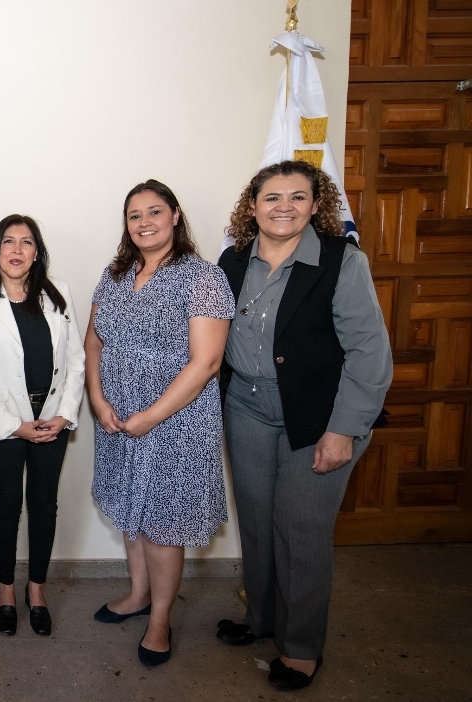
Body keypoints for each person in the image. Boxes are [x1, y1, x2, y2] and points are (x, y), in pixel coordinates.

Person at [216, 160, 392, 691]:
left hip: (319, 414)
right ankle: (262, 619)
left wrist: (343, 430)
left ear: (316, 206)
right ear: (253, 207)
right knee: (256, 519)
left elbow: (369, 353)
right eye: (272, 197)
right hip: (245, 406)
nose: (284, 207)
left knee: (300, 528)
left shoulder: (342, 261)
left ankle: (300, 647)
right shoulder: (232, 260)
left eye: (297, 197)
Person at [85, 179, 235, 667]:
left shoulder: (203, 277)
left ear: (175, 215)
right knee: (132, 511)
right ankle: (137, 595)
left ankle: (160, 619)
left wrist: (149, 417)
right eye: (135, 215)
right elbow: (93, 342)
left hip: (176, 423)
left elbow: (206, 362)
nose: (144, 222)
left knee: (162, 524)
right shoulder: (114, 275)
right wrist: (98, 399)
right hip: (117, 420)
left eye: (154, 211)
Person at [0, 214, 85, 637]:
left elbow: (76, 359)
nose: (17, 250)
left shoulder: (58, 292)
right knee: (6, 506)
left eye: (26, 242)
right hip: (2, 427)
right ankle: (6, 591)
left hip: (52, 421)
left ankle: (37, 591)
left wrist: (65, 414)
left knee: (44, 506)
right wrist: (14, 425)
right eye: (8, 241)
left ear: (37, 252)